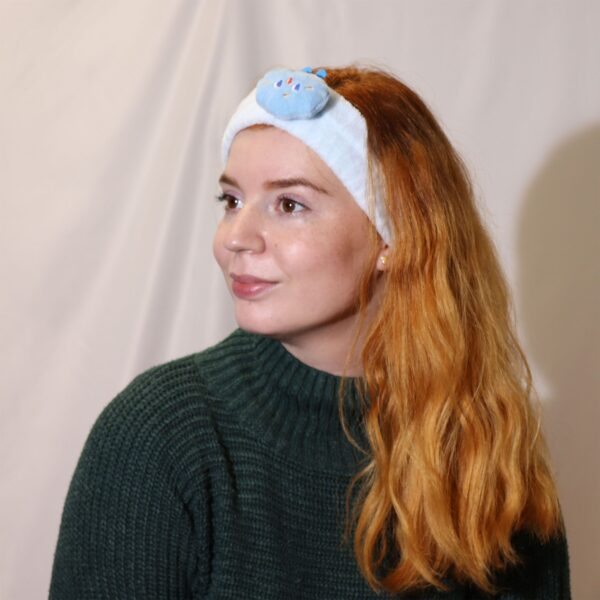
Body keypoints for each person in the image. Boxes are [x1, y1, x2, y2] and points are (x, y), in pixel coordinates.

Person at [49, 65, 571, 599]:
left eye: (289, 205)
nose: (237, 237)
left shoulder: (482, 444)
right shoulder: (159, 439)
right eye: (231, 201)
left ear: (394, 237)